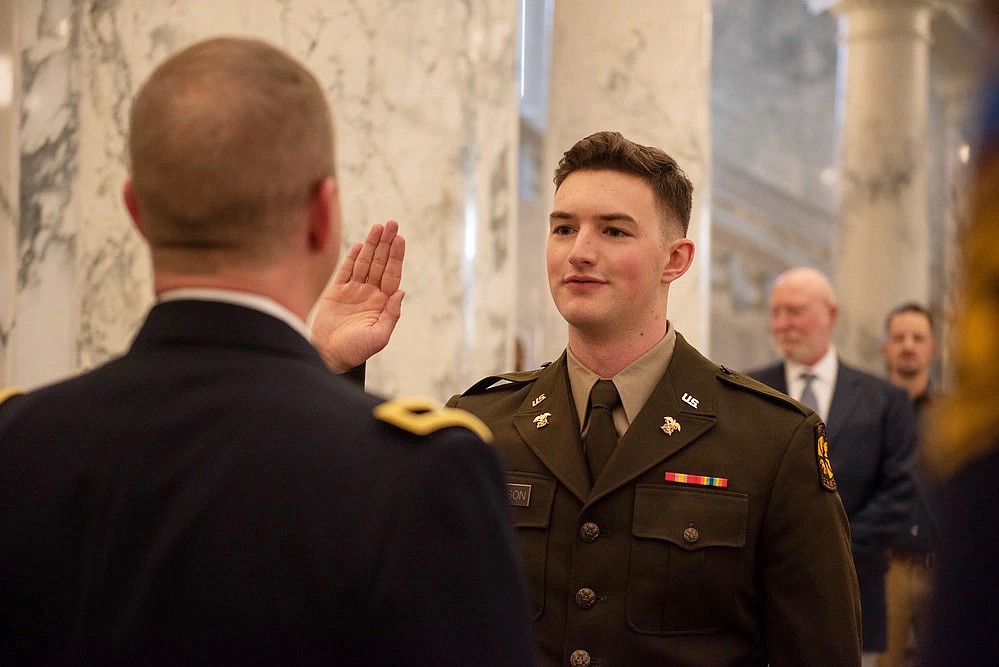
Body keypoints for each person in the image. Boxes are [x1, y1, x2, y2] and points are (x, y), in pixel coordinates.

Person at [0, 37, 537, 666]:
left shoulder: (18, 443)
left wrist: (318, 370)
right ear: (322, 214)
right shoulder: (420, 474)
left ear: (136, 212)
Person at [316, 131, 862, 665]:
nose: (579, 252)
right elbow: (371, 582)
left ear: (676, 259)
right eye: (563, 228)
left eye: (614, 231)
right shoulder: (481, 424)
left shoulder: (770, 440)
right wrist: (331, 371)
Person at [749, 268, 916, 664]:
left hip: (858, 588)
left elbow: (901, 490)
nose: (782, 324)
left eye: (795, 311)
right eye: (776, 313)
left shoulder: (884, 400)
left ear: (831, 314)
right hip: (770, 597)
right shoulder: (749, 392)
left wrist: (831, 548)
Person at [877, 303, 938, 667]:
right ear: (886, 348)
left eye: (918, 338)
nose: (908, 345)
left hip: (942, 566)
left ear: (934, 348)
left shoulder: (950, 419)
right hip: (887, 570)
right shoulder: (865, 411)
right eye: (899, 337)